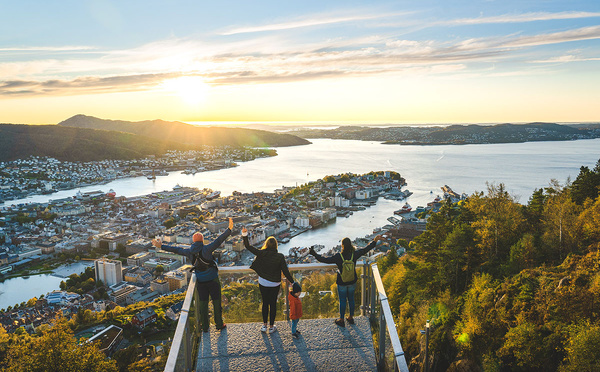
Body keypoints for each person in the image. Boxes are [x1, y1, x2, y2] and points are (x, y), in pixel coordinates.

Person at [152, 217, 233, 332]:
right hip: (213, 280)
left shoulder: (188, 251)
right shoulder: (207, 248)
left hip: (201, 282)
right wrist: (229, 229)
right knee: (216, 302)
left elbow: (175, 249)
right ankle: (219, 324)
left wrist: (161, 246)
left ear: (193, 241)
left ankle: (205, 327)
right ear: (202, 240)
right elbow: (219, 240)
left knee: (203, 305)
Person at [309, 235, 383, 327]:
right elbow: (366, 249)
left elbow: (324, 260)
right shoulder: (354, 254)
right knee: (351, 299)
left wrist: (314, 253)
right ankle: (351, 317)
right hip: (352, 281)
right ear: (351, 245)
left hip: (342, 282)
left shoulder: (338, 256)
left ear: (342, 246)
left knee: (342, 301)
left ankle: (341, 319)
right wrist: (374, 241)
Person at [242, 227, 295, 334]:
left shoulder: (262, 253)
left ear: (266, 244)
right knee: (273, 304)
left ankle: (264, 325)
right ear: (276, 245)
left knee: (265, 303)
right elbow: (285, 271)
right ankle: (271, 327)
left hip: (263, 282)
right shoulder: (280, 257)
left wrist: (245, 235)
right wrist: (292, 282)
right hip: (275, 283)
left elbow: (248, 246)